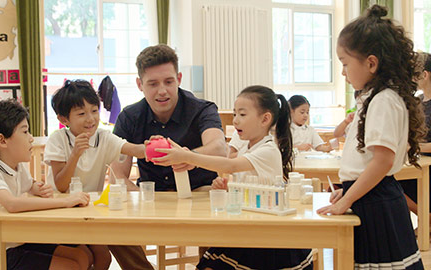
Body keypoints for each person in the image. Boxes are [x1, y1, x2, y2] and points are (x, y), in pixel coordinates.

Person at [153, 86, 313, 270]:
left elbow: (229, 166)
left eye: (242, 115)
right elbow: (243, 178)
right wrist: (228, 186)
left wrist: (188, 157)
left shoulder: (268, 150)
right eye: (235, 114)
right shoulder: (247, 148)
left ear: (265, 119)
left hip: (267, 236)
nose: (235, 120)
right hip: (246, 227)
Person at [316, 5, 425, 269]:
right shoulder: (376, 97)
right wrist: (349, 190)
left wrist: (348, 198)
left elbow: (382, 162)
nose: (342, 73)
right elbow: (368, 162)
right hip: (373, 197)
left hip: (379, 203)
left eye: (344, 64)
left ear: (371, 63)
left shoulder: (384, 100)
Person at [108, 44, 227, 270]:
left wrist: (188, 157)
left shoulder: (201, 109)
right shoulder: (130, 117)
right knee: (112, 226)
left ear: (179, 78)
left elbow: (219, 148)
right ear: (140, 84)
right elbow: (118, 175)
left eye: (168, 82)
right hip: (151, 194)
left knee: (222, 216)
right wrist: (135, 197)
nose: (162, 91)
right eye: (153, 84)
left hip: (199, 191)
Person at [0, 100, 91, 270]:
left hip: (10, 240)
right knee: (70, 266)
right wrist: (66, 201)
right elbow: (12, 204)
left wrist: (38, 188)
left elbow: (30, 185)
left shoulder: (17, 166)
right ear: (2, 140)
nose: (31, 138)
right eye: (25, 131)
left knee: (81, 256)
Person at [44, 79, 148, 270]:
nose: (91, 119)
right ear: (64, 120)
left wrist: (151, 147)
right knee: (85, 257)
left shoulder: (103, 137)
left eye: (94, 111)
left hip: (90, 210)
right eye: (81, 114)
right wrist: (75, 154)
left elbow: (133, 149)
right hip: (61, 211)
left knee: (103, 257)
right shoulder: (58, 140)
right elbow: (60, 185)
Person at [399, 52, 431, 225]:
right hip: (416, 160)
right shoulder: (417, 100)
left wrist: (414, 146)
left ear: (424, 75)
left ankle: (427, 222)